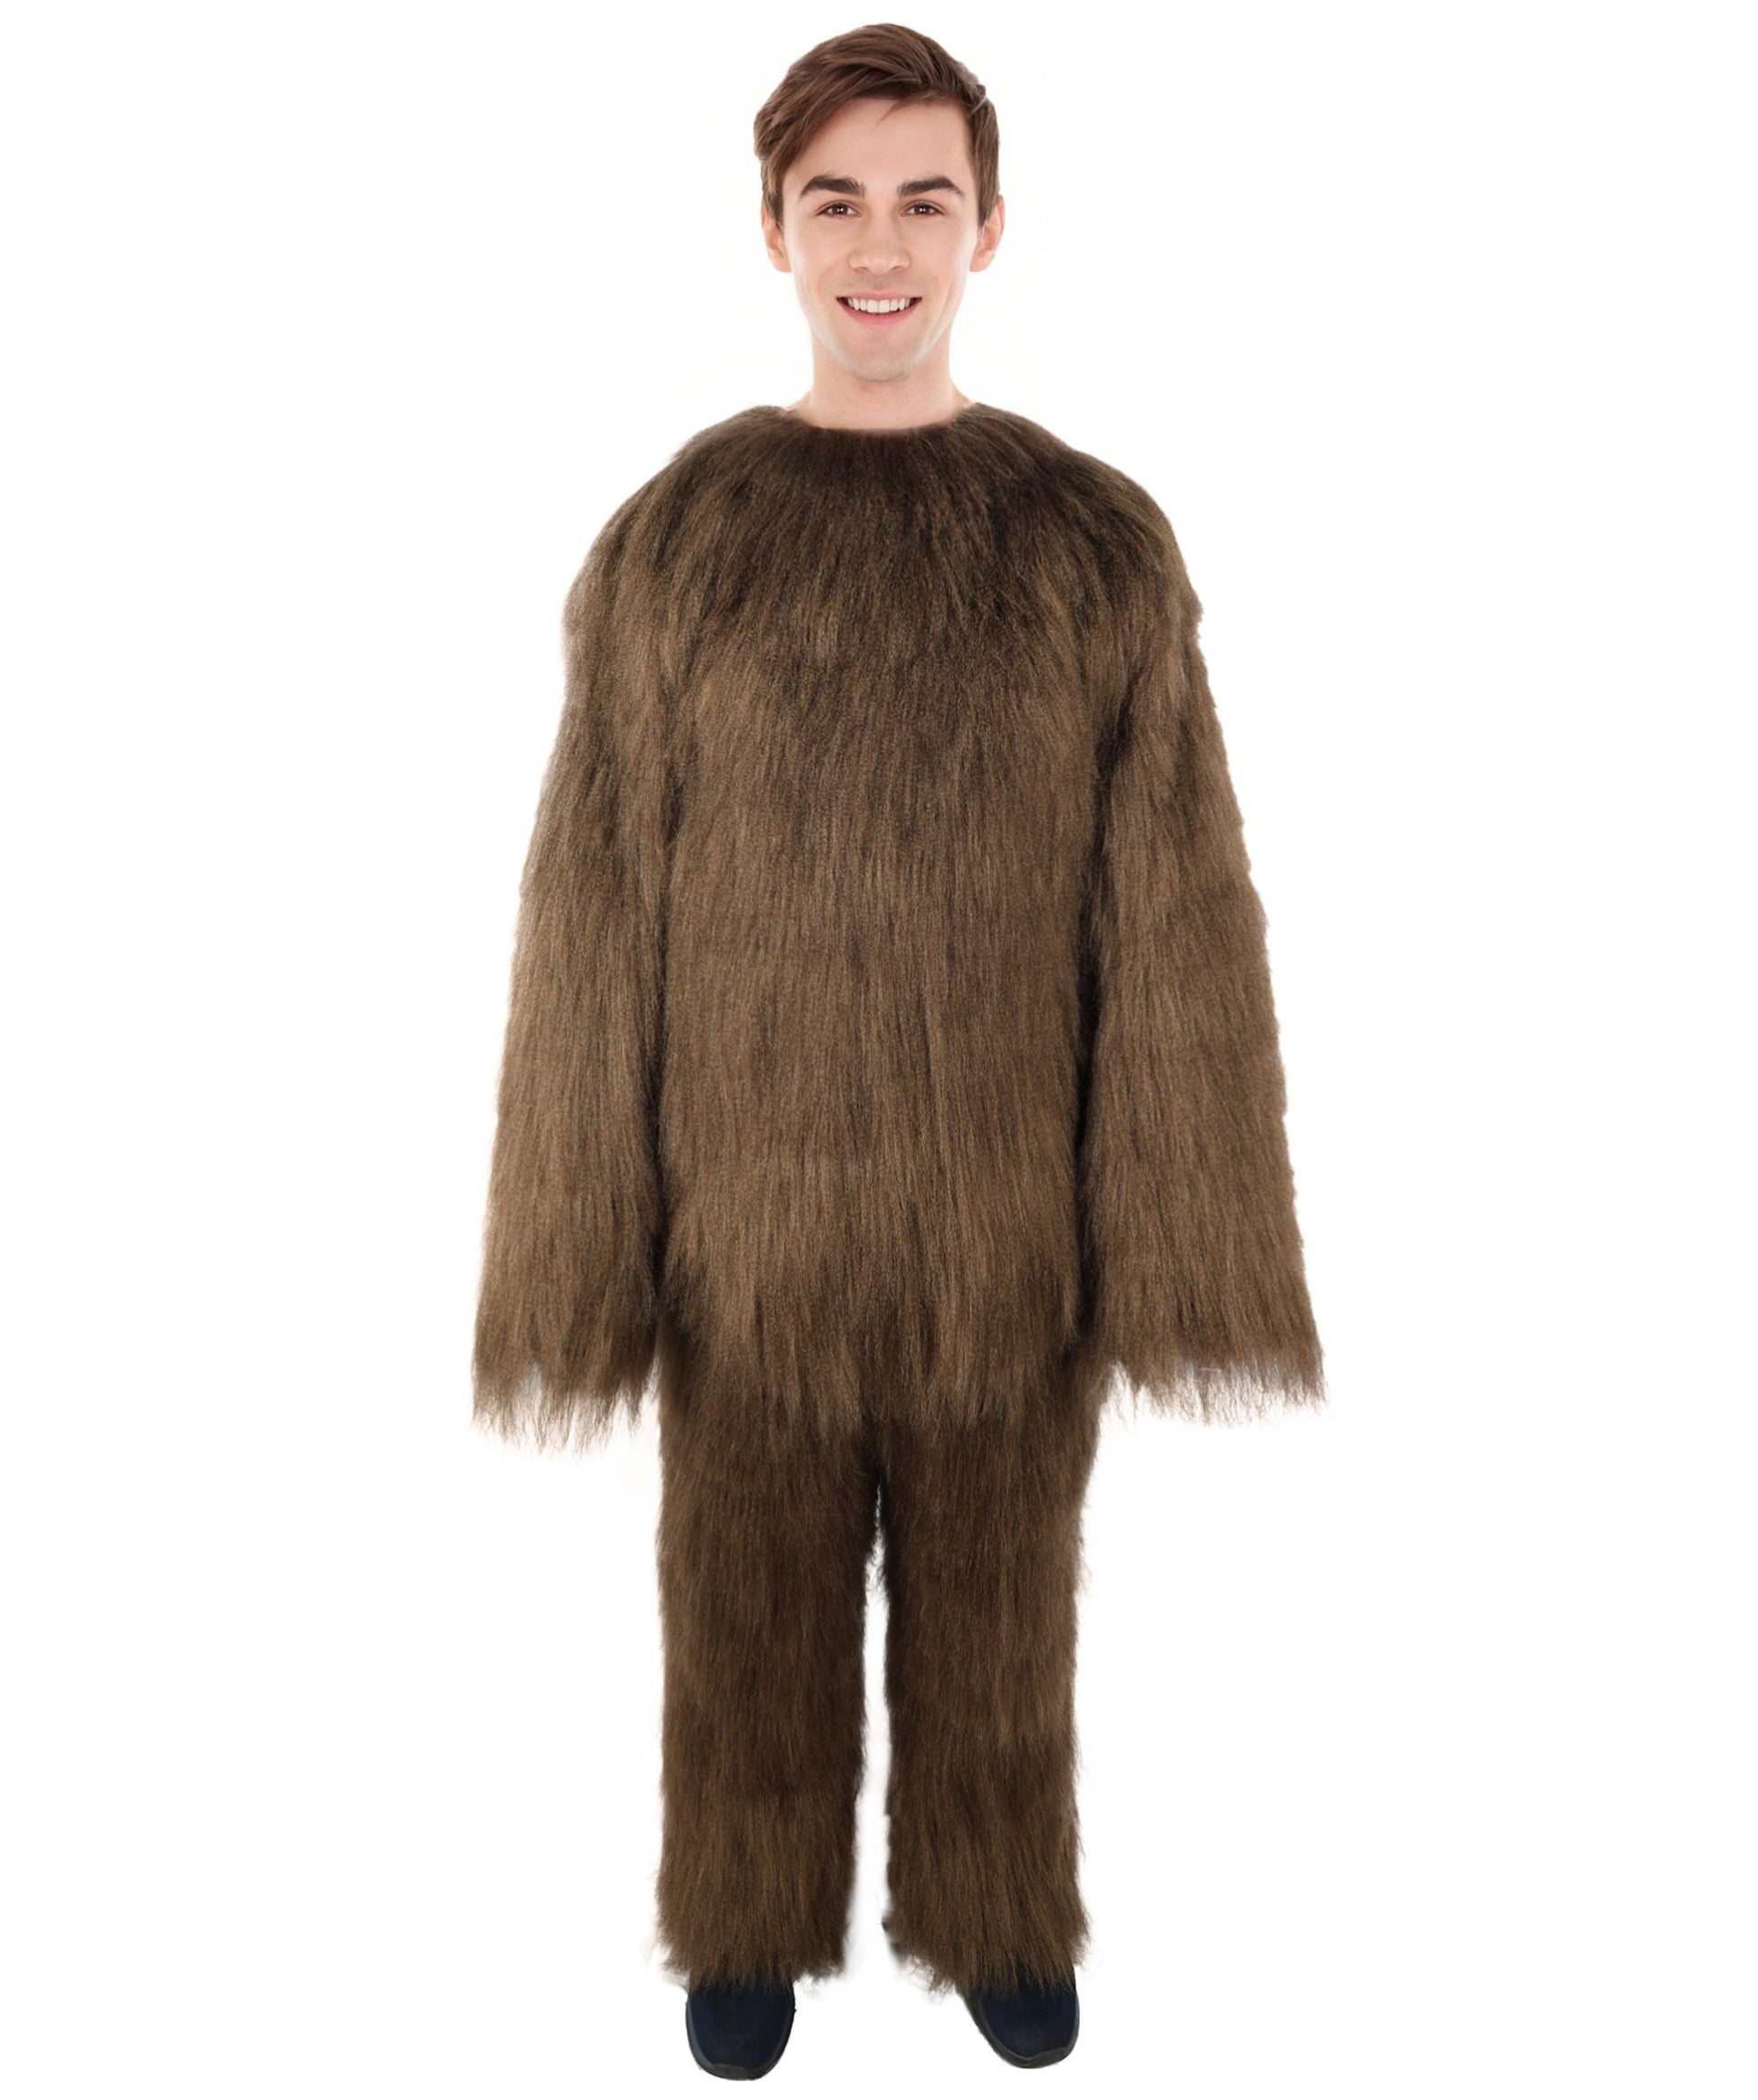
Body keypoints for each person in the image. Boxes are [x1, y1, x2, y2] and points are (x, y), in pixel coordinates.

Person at [472, 23, 1325, 2080]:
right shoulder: (674, 542)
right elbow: (592, 913)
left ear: (989, 228)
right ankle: (743, 1921)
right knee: (737, 1615)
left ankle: (999, 1909)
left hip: (1009, 1236)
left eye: (922, 199)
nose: (880, 245)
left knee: (1004, 1624)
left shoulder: (1095, 545)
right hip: (744, 1236)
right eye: (835, 200)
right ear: (770, 230)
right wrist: (590, 1250)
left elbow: (1175, 912)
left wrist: (1169, 1241)